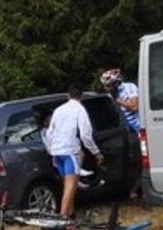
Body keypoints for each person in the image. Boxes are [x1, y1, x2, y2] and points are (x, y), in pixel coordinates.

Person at [46, 85, 104, 218]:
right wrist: (96, 153)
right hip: (70, 151)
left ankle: (71, 216)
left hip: (56, 152)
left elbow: (50, 132)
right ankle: (62, 219)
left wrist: (51, 149)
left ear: (68, 95)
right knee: (70, 187)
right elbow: (85, 135)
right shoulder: (80, 110)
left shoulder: (58, 110)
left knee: (67, 185)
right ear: (82, 96)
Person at [101, 68, 143, 202]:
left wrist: (120, 102)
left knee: (144, 161)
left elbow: (135, 106)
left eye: (108, 85)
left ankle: (137, 190)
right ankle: (134, 191)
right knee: (136, 161)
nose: (106, 88)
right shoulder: (111, 96)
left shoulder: (129, 87)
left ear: (116, 83)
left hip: (141, 128)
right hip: (130, 132)